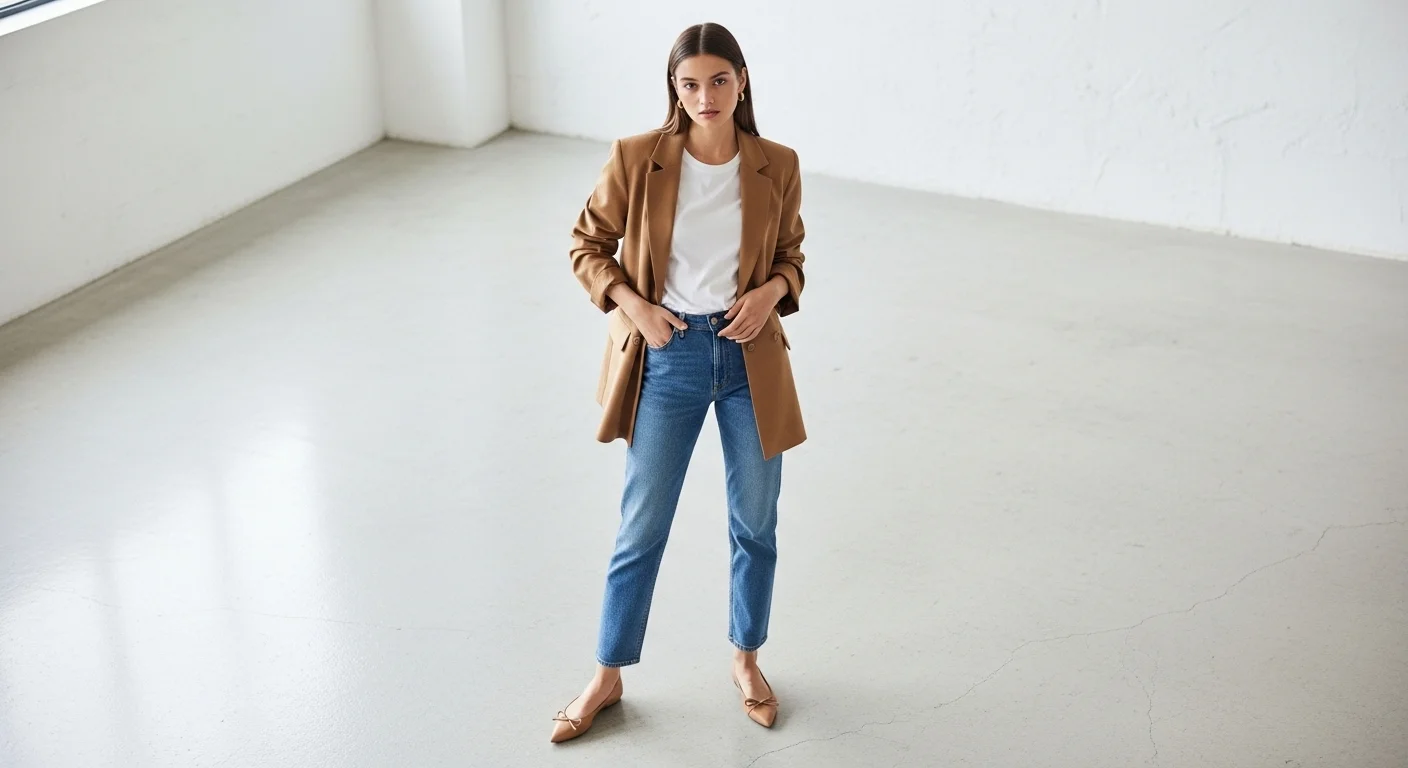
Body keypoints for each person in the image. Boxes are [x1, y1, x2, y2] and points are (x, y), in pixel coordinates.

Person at [551, 21, 808, 743]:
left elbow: (791, 255)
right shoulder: (638, 158)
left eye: (719, 81)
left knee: (755, 522)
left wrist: (771, 293)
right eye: (689, 84)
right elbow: (587, 245)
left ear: (742, 82)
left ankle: (747, 660)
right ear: (674, 87)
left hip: (750, 361)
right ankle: (607, 674)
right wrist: (635, 307)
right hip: (668, 357)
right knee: (642, 526)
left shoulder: (777, 164)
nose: (705, 97)